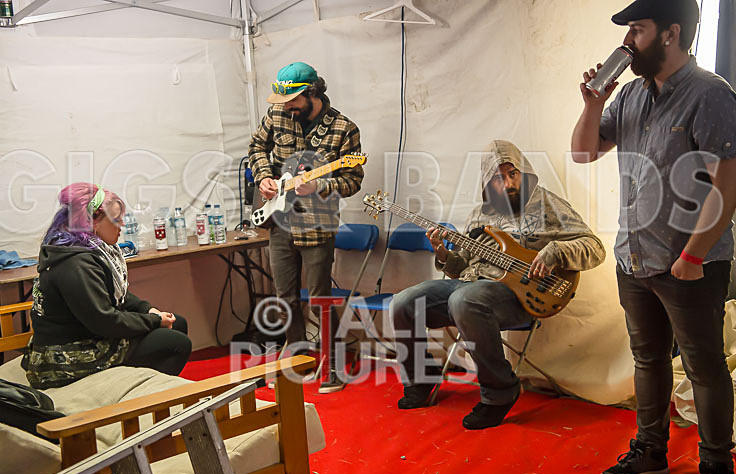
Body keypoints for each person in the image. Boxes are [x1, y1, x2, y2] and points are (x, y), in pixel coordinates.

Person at [571, 0, 736, 474]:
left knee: (704, 366)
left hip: (690, 264)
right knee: (647, 360)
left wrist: (693, 256)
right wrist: (591, 102)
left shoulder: (711, 95)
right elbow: (582, 153)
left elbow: (729, 185)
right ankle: (650, 450)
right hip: (634, 258)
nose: (627, 41)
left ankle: (717, 472)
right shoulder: (627, 95)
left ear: (671, 33)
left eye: (637, 30)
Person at [391, 139, 605, 429]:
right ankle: (421, 376)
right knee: (404, 302)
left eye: (512, 173)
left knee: (464, 300)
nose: (507, 183)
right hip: (471, 287)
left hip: (521, 295)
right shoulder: (480, 214)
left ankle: (500, 391)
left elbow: (594, 247)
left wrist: (555, 252)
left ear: (523, 172)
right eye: (497, 177)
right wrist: (442, 252)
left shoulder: (547, 204)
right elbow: (459, 269)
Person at [248, 62, 364, 393]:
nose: (285, 107)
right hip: (279, 221)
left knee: (319, 299)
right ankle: (296, 361)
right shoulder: (277, 116)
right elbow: (257, 147)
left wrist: (321, 187)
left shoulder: (344, 128)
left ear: (312, 93)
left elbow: (352, 180)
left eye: (292, 100)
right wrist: (264, 177)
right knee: (283, 297)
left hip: (317, 224)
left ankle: (332, 367)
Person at [26, 182, 192, 389]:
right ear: (93, 222)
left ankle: (140, 389)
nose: (122, 224)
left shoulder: (87, 251)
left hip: (87, 335)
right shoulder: (76, 264)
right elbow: (104, 320)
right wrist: (152, 321)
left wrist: (147, 310)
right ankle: (131, 396)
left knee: (177, 323)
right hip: (65, 355)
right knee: (175, 343)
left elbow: (113, 293)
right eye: (116, 219)